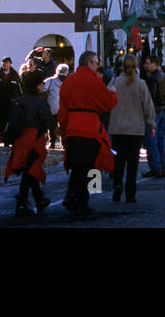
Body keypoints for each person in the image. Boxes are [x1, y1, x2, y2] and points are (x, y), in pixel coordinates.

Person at [57, 51, 117, 214]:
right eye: (96, 63)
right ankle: (78, 200)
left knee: (77, 166)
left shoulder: (69, 81)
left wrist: (63, 128)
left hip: (72, 127)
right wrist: (112, 91)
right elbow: (107, 102)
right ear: (89, 63)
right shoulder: (94, 81)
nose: (98, 66)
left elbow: (62, 108)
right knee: (86, 167)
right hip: (89, 128)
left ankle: (75, 198)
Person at [4, 71, 55, 217]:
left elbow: (13, 122)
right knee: (30, 171)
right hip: (34, 139)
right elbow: (48, 121)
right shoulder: (40, 102)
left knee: (29, 171)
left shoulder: (19, 100)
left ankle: (39, 200)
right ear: (36, 85)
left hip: (21, 139)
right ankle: (22, 202)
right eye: (41, 83)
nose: (43, 85)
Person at [107, 55, 155, 204]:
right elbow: (148, 106)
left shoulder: (114, 83)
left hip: (117, 128)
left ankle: (117, 184)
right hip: (135, 129)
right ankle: (130, 193)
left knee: (118, 159)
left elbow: (107, 102)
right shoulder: (140, 84)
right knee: (133, 163)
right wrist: (151, 124)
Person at [141, 56, 165, 178]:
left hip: (154, 111)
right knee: (160, 140)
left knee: (151, 141)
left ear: (155, 64)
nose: (146, 65)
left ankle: (156, 168)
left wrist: (151, 107)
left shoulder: (152, 79)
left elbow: (150, 96)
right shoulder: (164, 76)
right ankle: (162, 167)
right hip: (162, 110)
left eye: (148, 63)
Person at [0, 57, 22, 143]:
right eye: (3, 62)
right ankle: (1, 135)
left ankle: (7, 137)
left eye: (6, 62)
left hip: (10, 102)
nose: (4, 64)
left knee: (9, 120)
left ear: (10, 63)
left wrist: (22, 99)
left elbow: (20, 88)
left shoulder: (14, 74)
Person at [44, 63, 69, 149]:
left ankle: (52, 142)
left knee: (52, 126)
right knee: (63, 126)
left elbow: (43, 90)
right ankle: (64, 143)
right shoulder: (69, 81)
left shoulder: (50, 80)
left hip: (52, 107)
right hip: (64, 108)